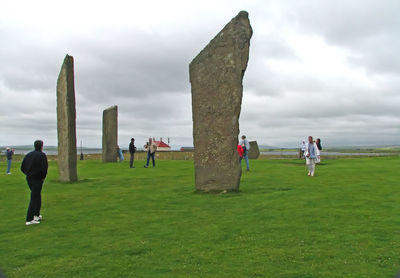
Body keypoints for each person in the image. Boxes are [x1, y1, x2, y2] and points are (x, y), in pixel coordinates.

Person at [20, 140, 48, 226]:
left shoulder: (29, 155)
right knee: (34, 197)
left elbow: (22, 167)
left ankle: (36, 215)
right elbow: (44, 168)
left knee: (37, 196)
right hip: (37, 179)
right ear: (41, 146)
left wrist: (28, 174)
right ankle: (29, 219)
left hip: (29, 179)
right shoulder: (42, 155)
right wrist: (42, 177)